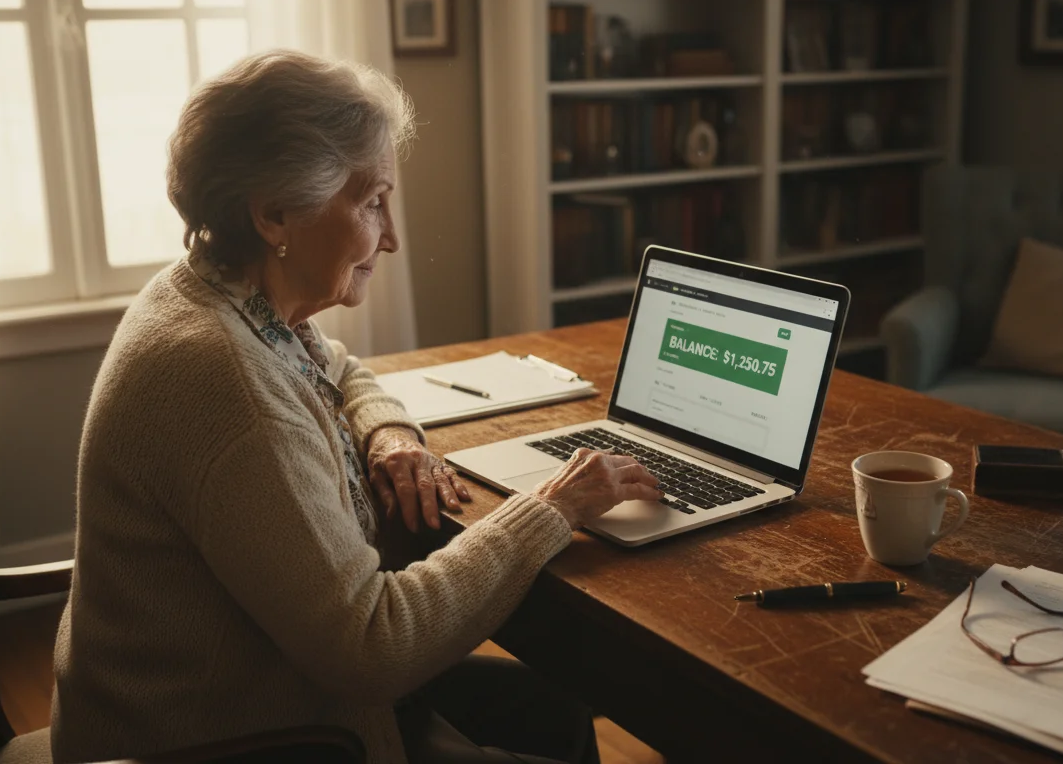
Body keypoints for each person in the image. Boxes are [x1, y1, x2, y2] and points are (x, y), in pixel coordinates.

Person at [50, 49, 661, 764]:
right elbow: (376, 646)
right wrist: (551, 510)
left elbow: (337, 367)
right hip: (224, 737)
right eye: (371, 202)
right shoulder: (229, 385)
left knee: (553, 708)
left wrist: (391, 437)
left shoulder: (223, 292)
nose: (393, 237)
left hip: (260, 687)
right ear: (275, 213)